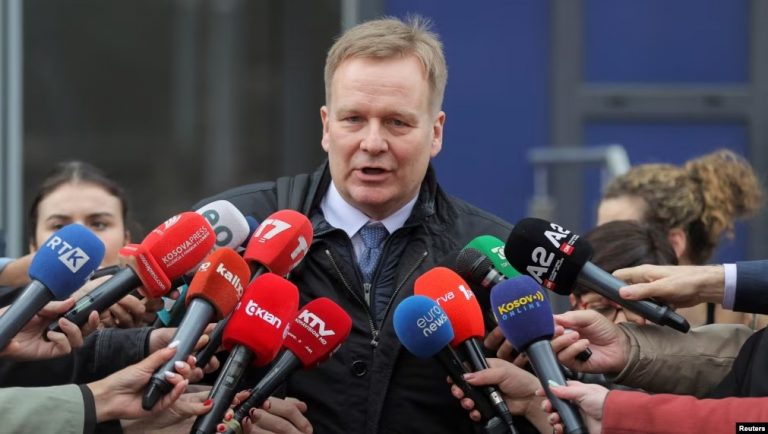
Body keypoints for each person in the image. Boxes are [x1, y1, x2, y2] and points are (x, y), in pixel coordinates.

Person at [195, 16, 513, 434]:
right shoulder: (235, 230)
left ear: (435, 133)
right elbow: (155, 388)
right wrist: (227, 418)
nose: (373, 143)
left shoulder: (490, 253)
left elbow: (535, 407)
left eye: (397, 122)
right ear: (326, 126)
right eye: (353, 119)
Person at [596, 149, 765, 328]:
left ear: (674, 244)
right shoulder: (596, 316)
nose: (599, 249)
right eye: (599, 234)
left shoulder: (751, 324)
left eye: (618, 238)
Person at [24, 160, 161, 328]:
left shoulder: (169, 329)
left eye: (99, 224)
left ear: (126, 241)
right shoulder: (8, 328)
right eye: (59, 226)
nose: (79, 241)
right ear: (34, 247)